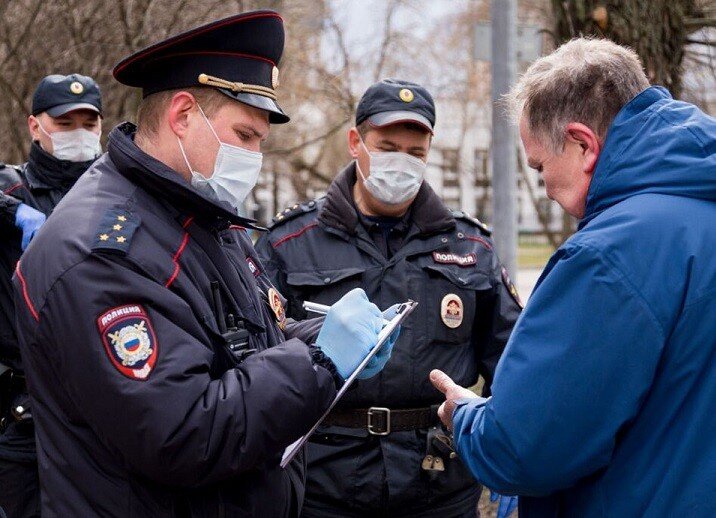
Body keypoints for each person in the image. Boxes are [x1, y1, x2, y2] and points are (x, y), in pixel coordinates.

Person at [12, 11, 396, 517]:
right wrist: (320, 363)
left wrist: (326, 340)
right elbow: (184, 432)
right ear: (183, 115)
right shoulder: (101, 252)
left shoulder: (197, 213)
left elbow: (237, 345)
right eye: (245, 135)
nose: (256, 156)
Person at [431, 37, 716, 517]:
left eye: (541, 165)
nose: (543, 189)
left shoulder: (609, 257)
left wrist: (465, 415)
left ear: (584, 145)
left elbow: (521, 448)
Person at [255, 79, 521, 518]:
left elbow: (511, 360)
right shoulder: (290, 242)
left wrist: (508, 449)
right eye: (387, 146)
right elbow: (257, 360)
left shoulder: (471, 246)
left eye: (415, 153)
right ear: (355, 142)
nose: (402, 162)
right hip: (325, 484)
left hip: (437, 484)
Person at [0, 72, 103, 518]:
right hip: (24, 414)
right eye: (64, 123)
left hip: (100, 405)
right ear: (34, 126)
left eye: (89, 123)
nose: (78, 134)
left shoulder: (116, 193)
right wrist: (12, 211)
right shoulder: (13, 189)